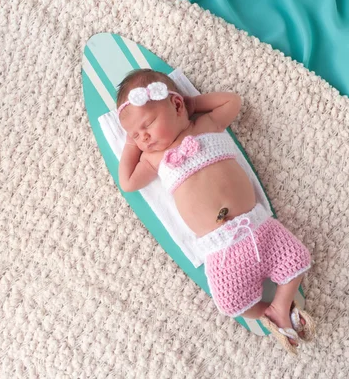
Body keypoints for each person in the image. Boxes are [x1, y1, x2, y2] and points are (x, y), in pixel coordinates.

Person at [116, 69, 315, 353]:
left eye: (147, 124)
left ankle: (282, 305)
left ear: (175, 105)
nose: (143, 137)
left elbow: (231, 102)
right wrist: (130, 144)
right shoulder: (154, 159)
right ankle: (268, 313)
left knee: (297, 258)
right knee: (232, 303)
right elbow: (128, 182)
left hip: (255, 225)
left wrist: (194, 103)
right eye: (136, 135)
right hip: (220, 249)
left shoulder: (205, 125)